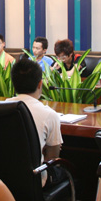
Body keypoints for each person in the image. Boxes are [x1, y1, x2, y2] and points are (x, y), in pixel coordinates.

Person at [8, 58, 63, 186]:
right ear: (40, 84)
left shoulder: (0, 108)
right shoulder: (49, 114)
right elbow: (53, 158)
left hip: (2, 179)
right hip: (35, 180)